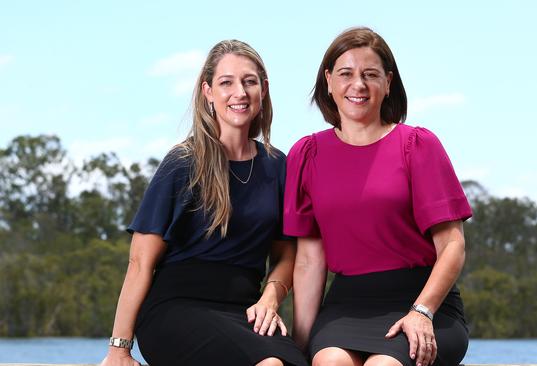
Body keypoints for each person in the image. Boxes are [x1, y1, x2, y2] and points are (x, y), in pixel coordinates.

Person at [100, 40, 307, 366]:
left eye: (249, 81)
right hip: (177, 308)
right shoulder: (183, 162)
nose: (239, 92)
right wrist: (119, 349)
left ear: (263, 90)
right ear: (208, 91)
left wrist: (270, 298)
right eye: (226, 82)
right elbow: (141, 262)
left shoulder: (278, 166)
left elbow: (285, 254)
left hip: (245, 311)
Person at [284, 27, 472, 366]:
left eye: (370, 75)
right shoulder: (307, 154)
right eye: (346, 74)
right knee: (329, 362)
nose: (358, 84)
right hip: (347, 305)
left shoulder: (417, 145)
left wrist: (422, 311)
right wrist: (300, 342)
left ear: (387, 84)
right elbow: (310, 261)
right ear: (328, 81)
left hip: (423, 301)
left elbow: (453, 246)